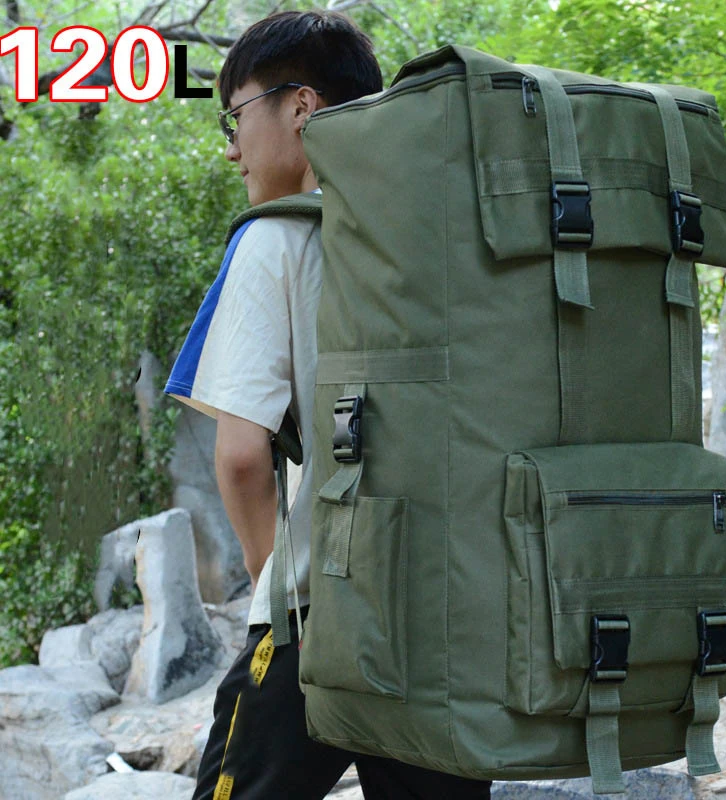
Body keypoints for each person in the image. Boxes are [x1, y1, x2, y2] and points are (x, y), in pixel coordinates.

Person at [164, 9, 493, 800]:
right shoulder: (447, 239)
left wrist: (278, 594)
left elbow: (242, 458)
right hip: (449, 616)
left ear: (301, 107)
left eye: (236, 116)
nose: (232, 147)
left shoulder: (274, 238)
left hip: (321, 611)